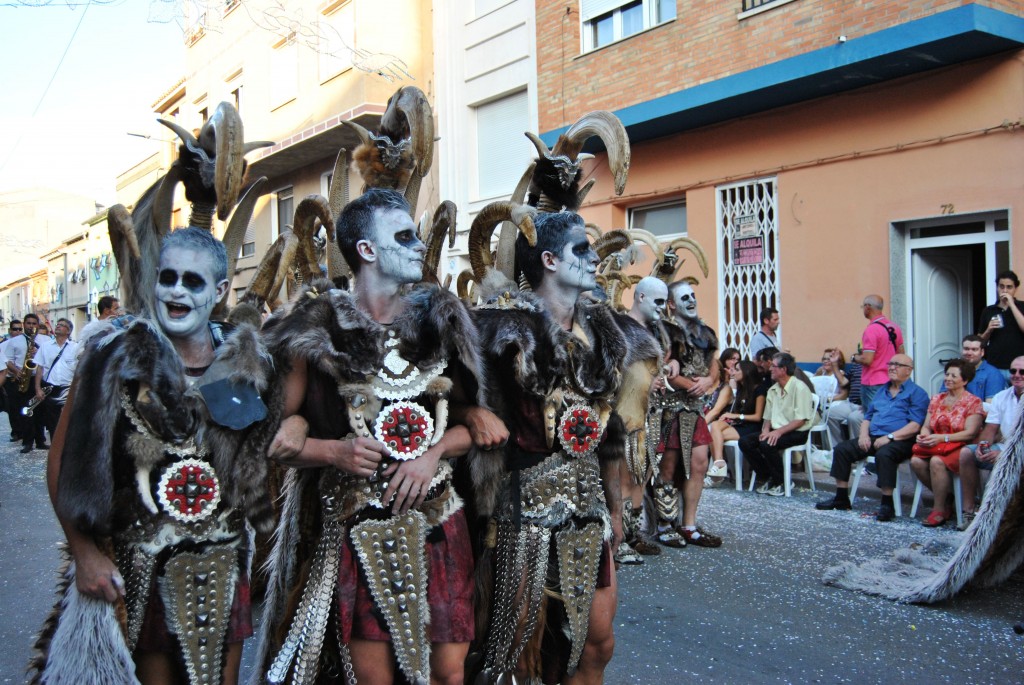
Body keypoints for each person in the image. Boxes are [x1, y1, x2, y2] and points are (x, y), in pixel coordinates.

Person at [257, 189, 482, 685]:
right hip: (358, 527)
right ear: (366, 251)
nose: (419, 245)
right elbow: (274, 436)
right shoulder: (318, 328)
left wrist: (436, 453)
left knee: (450, 674)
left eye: (416, 233)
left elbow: (480, 423)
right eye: (404, 236)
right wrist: (332, 450)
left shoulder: (439, 324)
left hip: (440, 519)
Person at [34, 227, 276, 684]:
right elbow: (62, 461)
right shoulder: (110, 358)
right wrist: (85, 553)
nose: (178, 290)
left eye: (194, 281)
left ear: (221, 291)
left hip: (224, 562)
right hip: (142, 566)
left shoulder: (248, 361)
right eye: (168, 277)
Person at [467, 211, 660, 684]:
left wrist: (614, 509)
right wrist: (470, 414)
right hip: (520, 518)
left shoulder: (606, 336)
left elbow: (610, 437)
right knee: (513, 650)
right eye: (582, 250)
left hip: (587, 512)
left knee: (597, 641)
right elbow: (457, 397)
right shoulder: (498, 329)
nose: (595, 259)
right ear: (549, 260)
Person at [649, 280, 723, 548]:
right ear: (671, 304)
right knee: (668, 467)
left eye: (693, 295)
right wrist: (691, 384)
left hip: (694, 409)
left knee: (700, 462)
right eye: (684, 297)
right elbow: (661, 368)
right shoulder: (665, 331)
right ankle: (665, 524)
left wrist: (707, 381)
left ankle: (689, 524)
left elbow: (714, 364)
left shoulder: (706, 332)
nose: (691, 300)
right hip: (670, 409)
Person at [814, 354, 928, 521]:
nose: (892, 367)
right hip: (875, 436)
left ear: (909, 371)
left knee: (885, 453)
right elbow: (868, 416)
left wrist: (890, 437)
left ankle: (887, 503)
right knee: (842, 449)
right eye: (890, 363)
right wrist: (863, 435)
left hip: (902, 439)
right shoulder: (882, 390)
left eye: (897, 365)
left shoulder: (917, 393)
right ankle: (841, 498)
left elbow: (915, 426)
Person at [617, 276, 670, 564]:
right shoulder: (620, 329)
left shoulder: (652, 333)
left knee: (640, 477)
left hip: (646, 419)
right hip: (625, 419)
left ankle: (633, 535)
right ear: (640, 297)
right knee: (625, 479)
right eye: (658, 301)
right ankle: (620, 539)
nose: (663, 307)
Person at [909, 359, 985, 527]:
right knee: (916, 461)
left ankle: (939, 509)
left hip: (961, 446)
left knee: (936, 461)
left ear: (965, 380)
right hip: (937, 445)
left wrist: (942, 438)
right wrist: (924, 436)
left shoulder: (973, 402)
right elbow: (926, 426)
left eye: (954, 376)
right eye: (947, 374)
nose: (948, 378)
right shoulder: (937, 399)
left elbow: (970, 433)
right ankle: (948, 496)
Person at [957, 355, 1024, 529]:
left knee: (1004, 459)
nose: (1017, 375)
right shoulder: (1002, 396)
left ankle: (999, 516)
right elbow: (991, 429)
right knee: (967, 453)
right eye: (1013, 371)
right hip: (1004, 447)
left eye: (1022, 371)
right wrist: (983, 446)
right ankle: (969, 513)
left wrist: (1004, 454)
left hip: (1019, 453)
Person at [739, 352, 815, 496]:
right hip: (776, 429)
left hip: (797, 431)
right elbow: (768, 416)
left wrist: (778, 432)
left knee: (767, 444)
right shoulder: (773, 389)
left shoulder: (800, 388)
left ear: (783, 369)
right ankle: (769, 477)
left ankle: (782, 481)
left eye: (773, 366)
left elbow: (800, 420)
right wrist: (766, 430)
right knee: (745, 442)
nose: (770, 369)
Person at [708, 360, 767, 485]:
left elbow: (758, 417)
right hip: (739, 423)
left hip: (753, 426)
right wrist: (730, 417)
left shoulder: (759, 390)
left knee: (715, 436)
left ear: (746, 372)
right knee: (715, 426)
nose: (733, 371)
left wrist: (736, 416)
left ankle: (718, 472)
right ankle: (719, 463)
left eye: (737, 369)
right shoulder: (741, 388)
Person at [850, 294, 904, 408]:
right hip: (891, 379)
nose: (863, 310)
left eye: (863, 307)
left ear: (868, 307)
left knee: (873, 417)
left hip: (873, 381)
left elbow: (867, 359)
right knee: (888, 414)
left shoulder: (872, 330)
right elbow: (901, 355)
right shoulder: (895, 327)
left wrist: (854, 358)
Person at [6, 313, 48, 453]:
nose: (31, 326)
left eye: (34, 323)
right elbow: (8, 360)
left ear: (38, 325)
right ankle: (27, 442)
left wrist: (39, 354)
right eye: (28, 323)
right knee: (26, 411)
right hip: (24, 378)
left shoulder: (46, 340)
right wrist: (17, 371)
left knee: (41, 411)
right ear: (24, 324)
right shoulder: (15, 341)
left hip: (40, 377)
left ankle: (40, 440)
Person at [32, 318, 77, 445]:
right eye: (57, 324)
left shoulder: (75, 347)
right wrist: (38, 388)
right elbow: (39, 368)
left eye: (62, 325)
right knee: (52, 421)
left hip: (68, 388)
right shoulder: (45, 347)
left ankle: (69, 445)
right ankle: (55, 446)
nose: (58, 326)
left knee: (69, 418)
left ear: (68, 331)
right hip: (50, 388)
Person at [977, 270, 1024, 382]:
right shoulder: (989, 311)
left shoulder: (1022, 307)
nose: (1005, 290)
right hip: (995, 366)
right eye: (1001, 287)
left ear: (1015, 289)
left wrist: (1012, 304)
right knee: (997, 398)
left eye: (1009, 287)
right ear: (997, 287)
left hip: (1019, 367)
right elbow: (980, 343)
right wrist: (989, 330)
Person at [940, 334, 1005, 403]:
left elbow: (991, 406)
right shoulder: (953, 371)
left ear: (982, 352)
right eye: (966, 349)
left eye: (974, 349)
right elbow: (942, 398)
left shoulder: (993, 374)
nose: (969, 353)